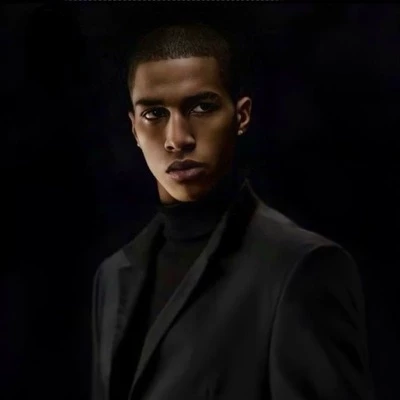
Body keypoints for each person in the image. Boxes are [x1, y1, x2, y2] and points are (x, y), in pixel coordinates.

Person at [91, 23, 373, 400]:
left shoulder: (302, 268)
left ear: (242, 116)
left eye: (201, 107)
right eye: (154, 113)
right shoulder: (112, 276)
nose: (177, 139)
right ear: (133, 130)